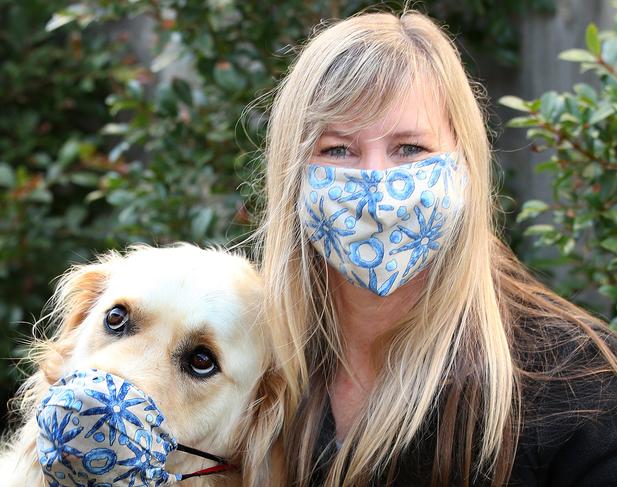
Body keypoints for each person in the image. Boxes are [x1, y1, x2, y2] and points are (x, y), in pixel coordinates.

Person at [252, 8, 617, 487]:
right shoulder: (254, 367)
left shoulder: (575, 384)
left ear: (464, 165)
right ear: (291, 175)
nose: (376, 185)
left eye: (410, 149)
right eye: (338, 149)